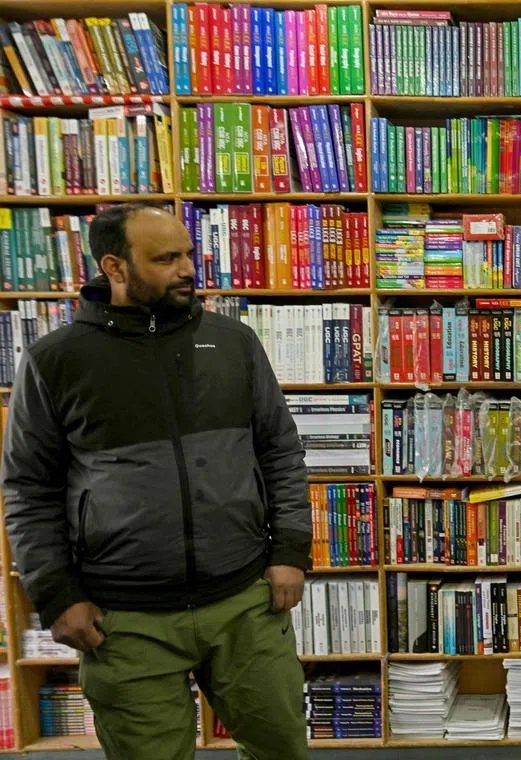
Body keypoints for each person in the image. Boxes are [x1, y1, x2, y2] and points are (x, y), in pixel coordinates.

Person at [1, 202, 311, 760]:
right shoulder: (55, 360)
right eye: (165, 259)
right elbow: (28, 490)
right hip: (124, 618)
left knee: (283, 746)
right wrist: (55, 595)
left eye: (188, 253)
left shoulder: (233, 343)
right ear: (115, 267)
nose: (187, 269)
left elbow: (280, 452)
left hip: (243, 602)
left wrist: (289, 550)